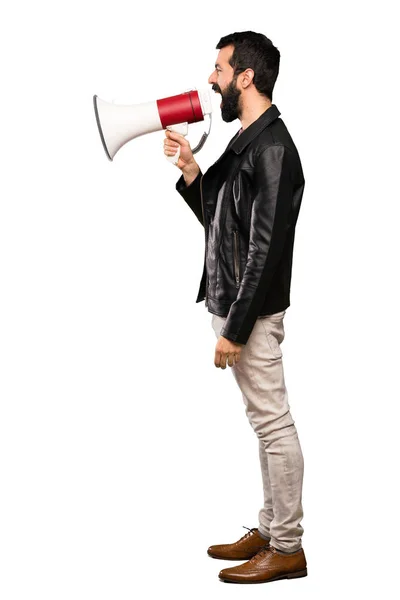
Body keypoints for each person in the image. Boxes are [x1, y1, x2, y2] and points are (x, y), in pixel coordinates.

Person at [164, 31, 307, 584]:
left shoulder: (272, 149)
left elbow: (265, 250)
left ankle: (288, 545)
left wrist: (237, 329)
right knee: (262, 422)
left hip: (250, 314)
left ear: (245, 77)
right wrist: (191, 172)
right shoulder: (249, 139)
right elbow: (222, 224)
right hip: (234, 307)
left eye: (219, 69)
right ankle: (271, 528)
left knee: (274, 425)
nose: (210, 79)